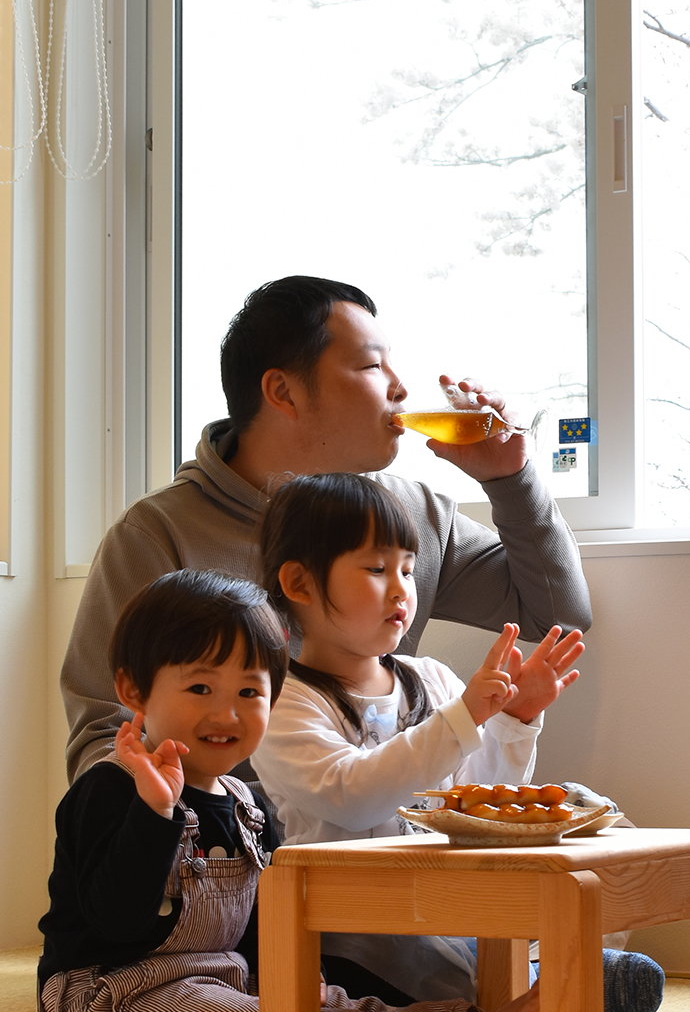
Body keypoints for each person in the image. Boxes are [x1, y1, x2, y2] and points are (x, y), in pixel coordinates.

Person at [61, 276, 592, 783]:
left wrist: (511, 480)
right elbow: (105, 734)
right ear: (283, 392)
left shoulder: (411, 516)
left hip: (388, 843)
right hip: (233, 855)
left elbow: (559, 617)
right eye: (371, 365)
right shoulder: (158, 535)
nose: (402, 388)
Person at [36, 569, 542, 1012]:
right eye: (200, 687)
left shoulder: (244, 803)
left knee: (324, 1009)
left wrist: (305, 977)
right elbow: (115, 922)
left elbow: (263, 918)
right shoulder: (112, 791)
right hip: (112, 1006)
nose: (226, 712)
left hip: (224, 985)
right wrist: (155, 814)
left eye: (250, 691)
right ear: (133, 690)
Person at [253, 474, 665, 1012]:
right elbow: (351, 796)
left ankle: (542, 983)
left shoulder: (431, 679)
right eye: (376, 570)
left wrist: (513, 718)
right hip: (362, 923)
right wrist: (465, 716)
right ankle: (540, 997)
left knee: (588, 810)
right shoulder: (283, 700)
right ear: (299, 583)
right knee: (442, 965)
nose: (402, 589)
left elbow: (475, 800)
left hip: (451, 897)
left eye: (406, 568)